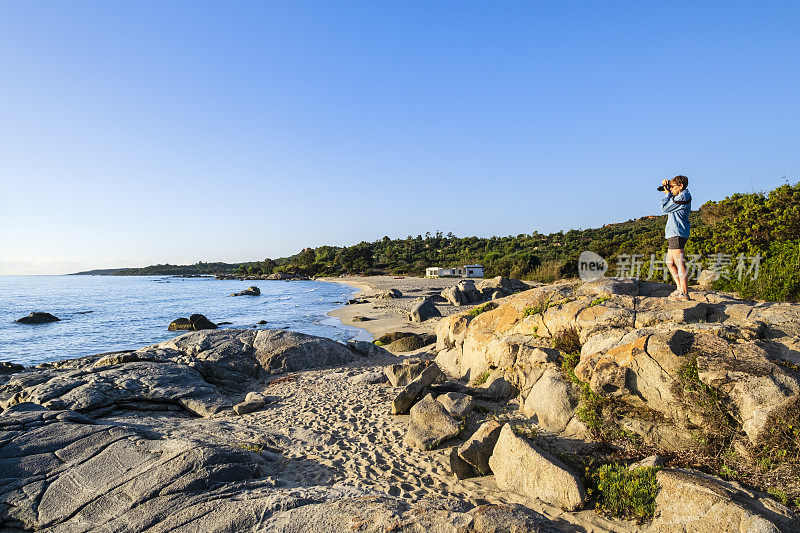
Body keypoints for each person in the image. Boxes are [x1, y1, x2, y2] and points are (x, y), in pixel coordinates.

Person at [661, 175, 692, 301]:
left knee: (679, 262)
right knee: (670, 262)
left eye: (673, 187)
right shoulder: (679, 196)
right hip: (674, 233)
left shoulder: (683, 196)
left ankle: (684, 292)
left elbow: (665, 208)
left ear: (681, 186)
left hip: (678, 232)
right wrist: (670, 192)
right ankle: (679, 288)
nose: (671, 189)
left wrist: (667, 194)